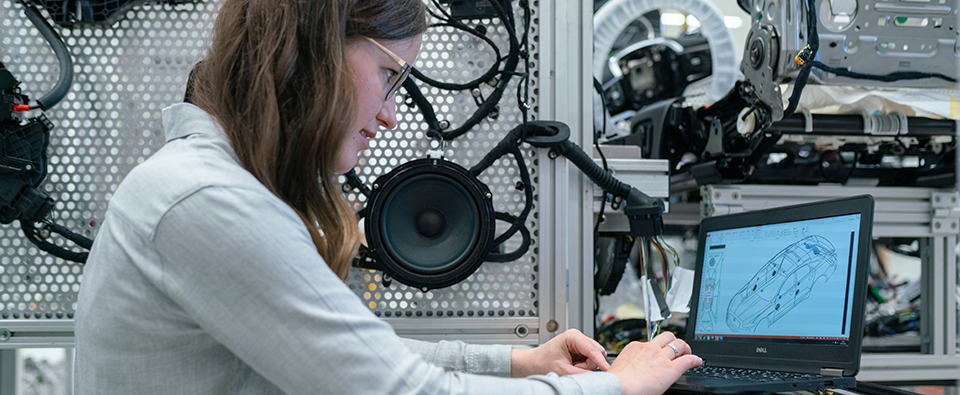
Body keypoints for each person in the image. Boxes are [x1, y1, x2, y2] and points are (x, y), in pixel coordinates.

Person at [73, 0, 702, 394]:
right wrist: (617, 388)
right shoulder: (207, 201)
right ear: (309, 54)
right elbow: (393, 387)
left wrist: (521, 361)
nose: (392, 115)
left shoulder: (204, 185)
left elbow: (347, 348)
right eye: (389, 76)